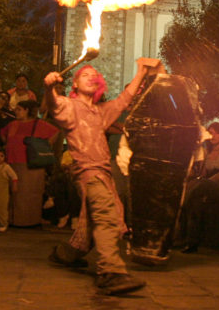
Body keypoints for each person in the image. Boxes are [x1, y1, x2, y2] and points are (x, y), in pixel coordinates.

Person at [44, 59, 159, 296]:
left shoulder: (101, 112)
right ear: (74, 84)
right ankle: (110, 273)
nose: (91, 76)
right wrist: (49, 87)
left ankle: (65, 254)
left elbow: (125, 99)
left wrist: (140, 72)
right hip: (88, 173)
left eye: (94, 74)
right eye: (84, 74)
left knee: (89, 225)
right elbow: (53, 106)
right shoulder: (69, 106)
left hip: (104, 174)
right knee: (106, 215)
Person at [181, 122, 219, 254]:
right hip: (207, 187)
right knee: (195, 204)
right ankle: (191, 242)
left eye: (216, 133)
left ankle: (184, 201)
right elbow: (203, 173)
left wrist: (204, 183)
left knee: (199, 185)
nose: (212, 136)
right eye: (210, 132)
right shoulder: (207, 152)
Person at [1, 99, 57, 226]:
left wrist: (46, 145)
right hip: (13, 161)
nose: (17, 112)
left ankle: (30, 220)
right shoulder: (13, 124)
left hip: (30, 163)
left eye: (19, 109)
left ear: (26, 111)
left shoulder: (38, 124)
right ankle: (13, 219)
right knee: (15, 193)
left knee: (30, 193)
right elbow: (3, 134)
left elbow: (55, 132)